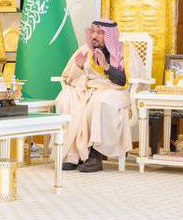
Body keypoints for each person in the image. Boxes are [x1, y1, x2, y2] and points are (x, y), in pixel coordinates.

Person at [54, 20, 131, 172]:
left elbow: (123, 82)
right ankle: (73, 155)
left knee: (99, 102)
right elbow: (68, 78)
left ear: (110, 36)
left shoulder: (123, 53)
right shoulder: (85, 51)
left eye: (100, 33)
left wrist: (106, 67)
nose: (94, 36)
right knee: (66, 98)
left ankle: (95, 156)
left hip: (115, 91)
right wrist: (78, 66)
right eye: (93, 31)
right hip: (88, 89)